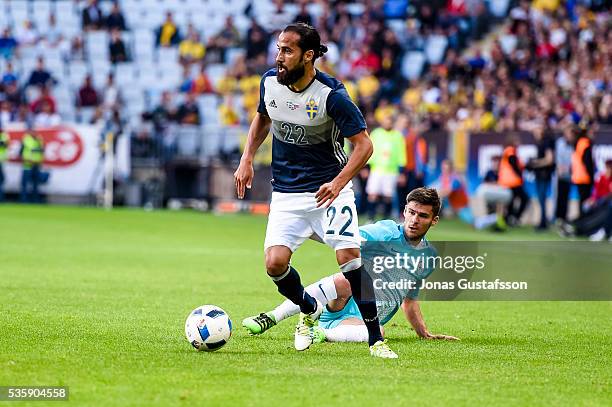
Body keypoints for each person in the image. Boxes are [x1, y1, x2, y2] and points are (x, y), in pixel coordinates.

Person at [234, 23, 396, 358]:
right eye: (278, 49)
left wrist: (339, 183)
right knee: (274, 264)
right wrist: (247, 157)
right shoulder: (269, 83)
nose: (279, 57)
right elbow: (263, 119)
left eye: (287, 50)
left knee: (349, 259)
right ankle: (308, 309)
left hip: (329, 191)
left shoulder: (332, 95)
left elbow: (365, 146)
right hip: (288, 193)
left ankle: (376, 339)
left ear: (309, 56)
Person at [243, 188, 459, 343]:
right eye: (411, 212)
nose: (414, 220)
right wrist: (302, 229)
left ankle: (320, 333)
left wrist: (424, 333)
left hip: (361, 322)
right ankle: (272, 317)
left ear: (434, 220)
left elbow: (410, 301)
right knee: (345, 280)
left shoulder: (428, 257)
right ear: (404, 211)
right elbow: (343, 238)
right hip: (341, 304)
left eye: (422, 215)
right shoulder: (384, 233)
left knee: (380, 332)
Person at [366, 113, 406, 220]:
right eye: (385, 121)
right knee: (372, 193)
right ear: (382, 122)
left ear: (392, 123)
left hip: (391, 171)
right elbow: (370, 150)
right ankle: (371, 218)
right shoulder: (376, 133)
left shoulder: (398, 136)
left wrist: (402, 172)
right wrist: (366, 168)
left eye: (389, 122)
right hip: (376, 169)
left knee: (388, 196)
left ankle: (385, 220)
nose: (387, 123)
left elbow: (401, 154)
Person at [526, 126, 555, 231]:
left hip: (544, 175)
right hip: (540, 175)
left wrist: (535, 163)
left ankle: (543, 223)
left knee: (542, 199)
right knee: (540, 199)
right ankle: (542, 221)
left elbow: (549, 159)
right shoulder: (541, 142)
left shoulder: (546, 142)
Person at [498, 135, 528, 225]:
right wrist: (519, 174)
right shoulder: (510, 150)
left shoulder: (513, 151)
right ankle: (514, 217)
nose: (518, 143)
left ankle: (509, 219)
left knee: (511, 200)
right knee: (524, 198)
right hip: (512, 181)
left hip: (510, 181)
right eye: (516, 141)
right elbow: (513, 162)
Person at [571, 128, 595, 216]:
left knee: (581, 200)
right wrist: (591, 177)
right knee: (585, 201)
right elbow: (587, 162)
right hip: (585, 177)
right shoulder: (585, 143)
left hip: (578, 176)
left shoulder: (579, 142)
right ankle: (584, 222)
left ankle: (582, 220)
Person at [555, 124, 574, 223]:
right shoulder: (560, 142)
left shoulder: (574, 143)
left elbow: (574, 159)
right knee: (560, 196)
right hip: (561, 174)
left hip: (570, 174)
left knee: (566, 196)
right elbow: (558, 158)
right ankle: (558, 217)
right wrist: (560, 168)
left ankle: (564, 217)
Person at [20, 130, 45, 203]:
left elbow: (42, 151)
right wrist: (26, 160)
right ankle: (24, 199)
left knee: (35, 183)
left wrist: (40, 160)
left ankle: (35, 199)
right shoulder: (26, 140)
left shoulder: (39, 140)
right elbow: (21, 152)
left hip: (36, 164)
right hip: (28, 164)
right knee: (25, 183)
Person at [0, 127, 8, 202]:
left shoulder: (4, 136)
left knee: (2, 180)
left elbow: (5, 145)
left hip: (1, 161)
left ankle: (1, 198)